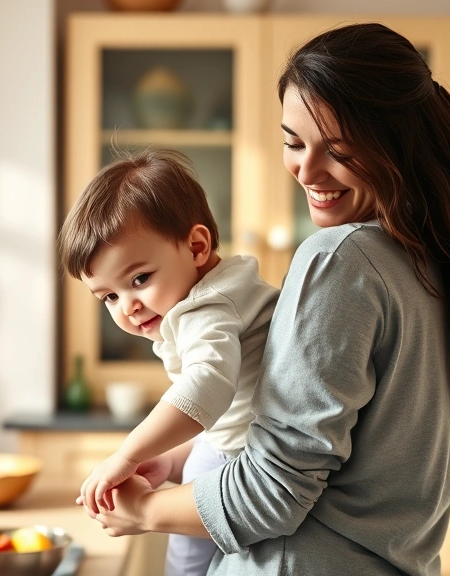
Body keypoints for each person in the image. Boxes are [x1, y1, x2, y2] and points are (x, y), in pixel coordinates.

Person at [81, 22, 450, 575]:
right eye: (292, 142)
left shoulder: (340, 258)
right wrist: (180, 457)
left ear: (394, 147)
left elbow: (272, 493)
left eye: (340, 151)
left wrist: (144, 510)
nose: (306, 170)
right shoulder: (445, 265)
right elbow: (331, 457)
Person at [57, 148, 279, 576]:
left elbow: (206, 389)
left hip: (236, 461)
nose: (128, 307)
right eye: (109, 296)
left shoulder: (207, 309)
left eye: (139, 279)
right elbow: (234, 407)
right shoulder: (226, 288)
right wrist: (172, 459)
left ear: (197, 247)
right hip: (227, 445)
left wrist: (127, 454)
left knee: (184, 563)